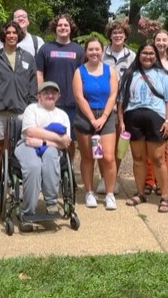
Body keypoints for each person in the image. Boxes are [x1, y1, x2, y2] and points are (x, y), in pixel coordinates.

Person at [0, 20, 38, 203]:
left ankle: (16, 184)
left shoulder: (28, 57)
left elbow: (33, 85)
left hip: (21, 110)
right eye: (9, 32)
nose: (12, 35)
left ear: (19, 35)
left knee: (19, 149)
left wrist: (32, 107)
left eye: (15, 32)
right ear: (3, 35)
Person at [118, 42, 168, 213]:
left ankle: (164, 195)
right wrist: (121, 122)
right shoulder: (129, 75)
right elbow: (121, 101)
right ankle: (140, 192)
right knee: (138, 158)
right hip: (133, 118)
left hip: (156, 119)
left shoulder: (164, 76)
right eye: (144, 53)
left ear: (156, 56)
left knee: (158, 158)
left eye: (151, 53)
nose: (148, 56)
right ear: (139, 54)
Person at [16, 81, 72, 231]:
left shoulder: (62, 115)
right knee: (34, 166)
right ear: (39, 96)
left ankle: (52, 203)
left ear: (58, 96)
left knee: (50, 156)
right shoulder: (32, 109)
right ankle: (28, 211)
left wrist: (43, 142)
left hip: (49, 148)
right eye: (46, 92)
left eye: (53, 92)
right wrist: (57, 138)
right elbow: (30, 132)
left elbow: (65, 143)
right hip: (27, 145)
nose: (50, 95)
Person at [73, 37, 119, 210]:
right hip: (86, 116)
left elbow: (113, 95)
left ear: (102, 51)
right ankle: (89, 192)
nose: (94, 53)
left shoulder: (110, 71)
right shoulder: (79, 71)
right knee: (88, 157)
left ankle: (109, 194)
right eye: (90, 50)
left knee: (108, 157)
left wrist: (103, 117)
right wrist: (92, 119)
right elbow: (79, 97)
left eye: (97, 49)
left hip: (106, 116)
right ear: (86, 52)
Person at [35, 13, 84, 157]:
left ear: (71, 28)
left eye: (66, 25)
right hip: (50, 102)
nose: (63, 28)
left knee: (69, 140)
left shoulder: (78, 50)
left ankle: (68, 173)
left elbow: (83, 76)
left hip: (71, 102)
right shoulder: (45, 48)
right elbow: (39, 73)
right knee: (48, 137)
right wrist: (40, 94)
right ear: (55, 28)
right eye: (60, 25)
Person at [98, 19, 136, 194]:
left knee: (119, 145)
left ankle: (114, 176)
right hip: (102, 104)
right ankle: (103, 178)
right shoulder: (101, 53)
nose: (118, 35)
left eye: (121, 33)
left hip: (125, 106)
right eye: (115, 33)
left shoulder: (133, 56)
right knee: (101, 144)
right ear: (110, 35)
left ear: (126, 35)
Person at [144, 29, 168, 196]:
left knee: (162, 149)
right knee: (147, 148)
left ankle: (161, 182)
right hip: (149, 109)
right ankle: (148, 181)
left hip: (165, 110)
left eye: (164, 40)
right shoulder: (148, 59)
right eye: (158, 39)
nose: (161, 43)